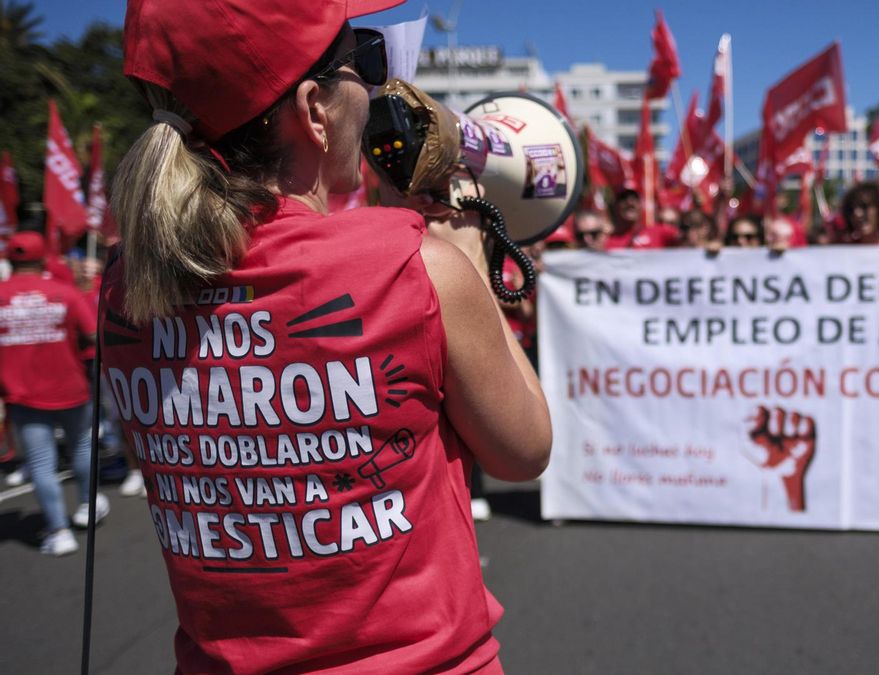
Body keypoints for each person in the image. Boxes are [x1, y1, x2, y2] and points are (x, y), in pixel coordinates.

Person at [106, 1, 550, 671]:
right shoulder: (416, 265)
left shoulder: (126, 283)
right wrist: (471, 270)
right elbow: (525, 450)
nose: (374, 92)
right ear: (315, 108)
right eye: (365, 64)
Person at [0, 231, 103, 556]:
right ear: (44, 259)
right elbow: (92, 335)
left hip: (22, 395)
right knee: (83, 448)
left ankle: (59, 531)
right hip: (71, 387)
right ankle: (88, 504)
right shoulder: (64, 292)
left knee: (42, 462)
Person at [605, 188, 679, 249]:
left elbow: (686, 238)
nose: (629, 203)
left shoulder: (658, 232)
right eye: (623, 199)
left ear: (641, 206)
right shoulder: (607, 241)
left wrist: (678, 217)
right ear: (616, 206)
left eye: (634, 199)